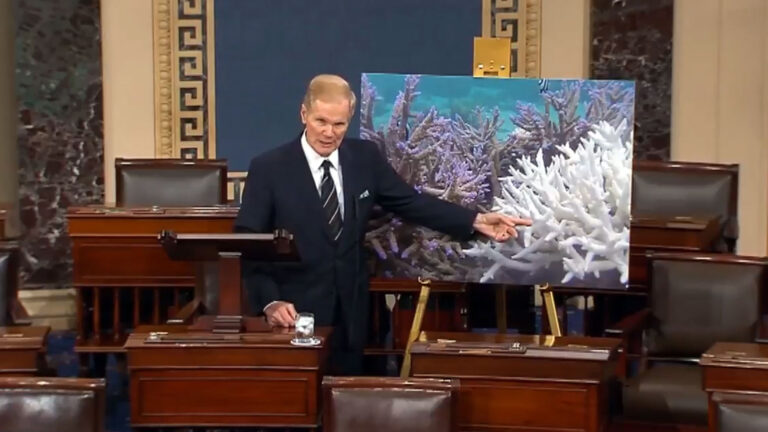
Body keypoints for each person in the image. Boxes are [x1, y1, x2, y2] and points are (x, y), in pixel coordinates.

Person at [235, 74, 531, 375]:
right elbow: (248, 242)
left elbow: (411, 202)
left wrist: (475, 220)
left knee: (349, 397)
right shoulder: (269, 168)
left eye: (338, 124)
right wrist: (270, 301)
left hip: (353, 315)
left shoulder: (364, 158)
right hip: (294, 316)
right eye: (320, 121)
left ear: (349, 119)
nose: (328, 133)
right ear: (303, 114)